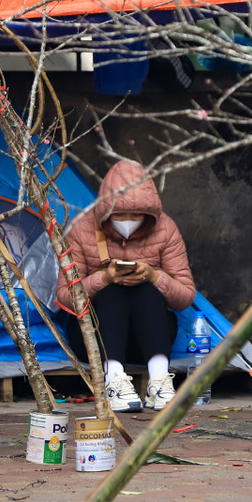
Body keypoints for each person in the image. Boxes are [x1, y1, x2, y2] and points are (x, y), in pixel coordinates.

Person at [56, 159, 196, 412]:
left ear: (150, 214)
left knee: (146, 289)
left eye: (136, 215)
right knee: (112, 291)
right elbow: (65, 297)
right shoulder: (82, 228)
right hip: (94, 342)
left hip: (148, 341)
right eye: (120, 215)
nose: (128, 221)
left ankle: (159, 381)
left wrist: (154, 276)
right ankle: (115, 381)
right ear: (106, 212)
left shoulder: (165, 228)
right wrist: (105, 278)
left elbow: (185, 297)